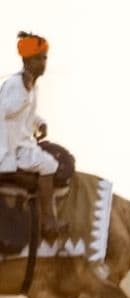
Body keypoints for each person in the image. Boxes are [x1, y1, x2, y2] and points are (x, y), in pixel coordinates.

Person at [0, 33, 65, 225]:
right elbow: (6, 110)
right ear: (26, 60)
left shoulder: (31, 84)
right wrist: (26, 93)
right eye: (38, 59)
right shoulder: (16, 84)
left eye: (44, 58)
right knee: (49, 165)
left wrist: (39, 123)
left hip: (23, 143)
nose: (43, 63)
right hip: (11, 148)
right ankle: (48, 220)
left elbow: (26, 114)